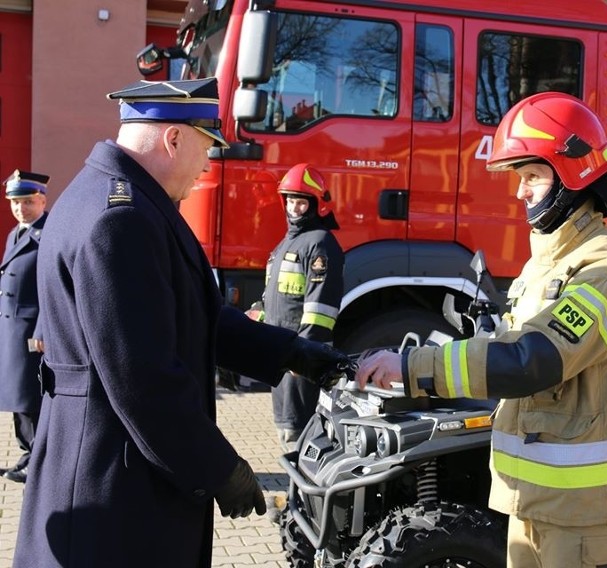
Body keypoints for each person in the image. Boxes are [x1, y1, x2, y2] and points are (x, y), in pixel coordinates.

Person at [12, 78, 351, 568]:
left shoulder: (116, 197)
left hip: (110, 475)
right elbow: (143, 377)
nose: (208, 164)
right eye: (207, 147)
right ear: (174, 139)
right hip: (114, 493)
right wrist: (219, 469)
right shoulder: (122, 218)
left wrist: (293, 353)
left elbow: (197, 318)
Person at [355, 92, 607, 568]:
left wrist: (413, 368)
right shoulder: (550, 265)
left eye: (532, 176)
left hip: (584, 520)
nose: (520, 192)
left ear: (572, 174)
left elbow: (532, 359)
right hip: (533, 505)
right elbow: (509, 342)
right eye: (520, 178)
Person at [247, 163, 344, 454]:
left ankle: (300, 498)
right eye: (290, 200)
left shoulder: (320, 244)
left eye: (301, 201)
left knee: (301, 434)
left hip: (300, 361)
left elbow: (320, 310)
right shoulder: (285, 245)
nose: (294, 208)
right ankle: (294, 496)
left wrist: (303, 356)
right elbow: (275, 301)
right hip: (283, 355)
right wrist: (254, 319)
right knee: (287, 430)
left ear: (317, 205)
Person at [0, 170, 49, 484]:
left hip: (33, 331)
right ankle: (24, 453)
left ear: (42, 199)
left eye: (27, 202)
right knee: (18, 397)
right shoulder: (16, 233)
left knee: (32, 396)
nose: (20, 208)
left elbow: (51, 286)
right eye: (15, 202)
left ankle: (39, 459)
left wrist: (44, 330)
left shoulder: (48, 233)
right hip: (12, 328)